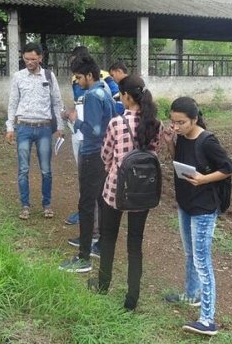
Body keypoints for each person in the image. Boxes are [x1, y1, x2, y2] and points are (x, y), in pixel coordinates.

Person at [88, 75, 162, 311]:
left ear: (127, 97)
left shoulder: (117, 123)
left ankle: (102, 285)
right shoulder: (155, 124)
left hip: (116, 190)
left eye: (121, 94)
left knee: (108, 239)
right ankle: (132, 299)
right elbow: (153, 151)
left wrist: (113, 168)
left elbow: (105, 156)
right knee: (135, 244)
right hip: (143, 192)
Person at [163, 96, 232, 336]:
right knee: (189, 254)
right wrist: (169, 142)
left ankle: (207, 319)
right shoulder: (182, 137)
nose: (176, 127)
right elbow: (179, 160)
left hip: (204, 208)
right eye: (173, 122)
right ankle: (191, 295)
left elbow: (228, 167)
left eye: (181, 122)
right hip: (186, 203)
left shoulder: (207, 141)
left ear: (194, 119)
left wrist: (204, 179)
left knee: (202, 262)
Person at [59, 55, 116, 273]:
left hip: (92, 153)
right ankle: (101, 245)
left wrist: (75, 120)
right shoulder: (106, 92)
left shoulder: (92, 95)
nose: (78, 81)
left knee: (86, 203)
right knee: (102, 201)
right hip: (104, 154)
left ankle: (83, 257)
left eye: (80, 77)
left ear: (90, 75)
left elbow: (94, 130)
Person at [5, 42, 64, 220]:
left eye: (33, 59)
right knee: (23, 169)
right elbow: (13, 103)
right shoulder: (18, 77)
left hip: (44, 128)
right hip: (23, 127)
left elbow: (57, 102)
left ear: (40, 58)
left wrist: (60, 126)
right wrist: (10, 127)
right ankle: (25, 206)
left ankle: (47, 205)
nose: (29, 62)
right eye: (26, 58)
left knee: (46, 170)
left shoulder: (49, 76)